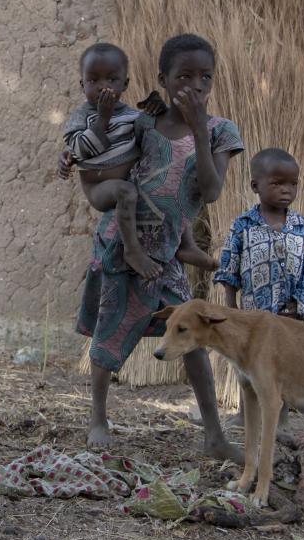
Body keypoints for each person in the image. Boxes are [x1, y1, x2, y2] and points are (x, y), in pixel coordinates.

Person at [62, 34, 245, 456]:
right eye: (184, 77)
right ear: (163, 79)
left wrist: (199, 129)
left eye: (205, 78)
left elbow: (210, 191)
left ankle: (213, 434)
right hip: (122, 240)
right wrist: (74, 162)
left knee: (193, 335)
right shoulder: (144, 125)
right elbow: (114, 167)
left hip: (164, 253)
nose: (195, 87)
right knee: (110, 329)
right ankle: (98, 417)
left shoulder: (220, 131)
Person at [62, 42, 217, 279]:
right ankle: (132, 252)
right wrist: (102, 120)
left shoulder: (130, 116)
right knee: (126, 192)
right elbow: (81, 149)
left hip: (132, 183)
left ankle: (186, 245)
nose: (103, 87)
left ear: (125, 84)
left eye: (112, 80)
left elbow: (147, 134)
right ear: (82, 84)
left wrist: (157, 108)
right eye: (94, 81)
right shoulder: (81, 118)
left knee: (168, 188)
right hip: (100, 187)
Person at [213, 147, 304, 427]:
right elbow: (230, 264)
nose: (286, 190)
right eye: (277, 183)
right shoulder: (243, 225)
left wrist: (301, 304)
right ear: (256, 186)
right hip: (254, 311)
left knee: (284, 363)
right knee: (249, 361)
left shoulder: (301, 226)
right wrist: (231, 306)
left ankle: (281, 415)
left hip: (289, 314)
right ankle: (245, 414)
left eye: (293, 184)